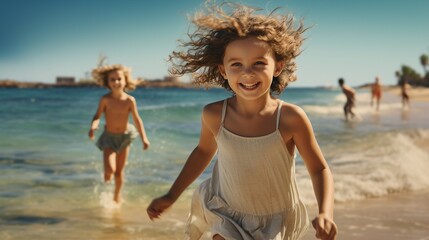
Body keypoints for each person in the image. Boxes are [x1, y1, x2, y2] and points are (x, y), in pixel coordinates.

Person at [147, 3, 337, 240]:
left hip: (274, 219)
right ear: (223, 70)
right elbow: (203, 152)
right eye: (236, 64)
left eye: (259, 63)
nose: (247, 72)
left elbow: (319, 169)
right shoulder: (215, 115)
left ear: (277, 66)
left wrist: (325, 213)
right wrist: (171, 195)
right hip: (225, 210)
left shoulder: (290, 118)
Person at [89, 64, 150, 203]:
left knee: (119, 173)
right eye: (112, 79)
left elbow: (137, 119)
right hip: (109, 138)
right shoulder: (105, 99)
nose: (116, 82)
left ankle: (117, 196)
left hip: (124, 137)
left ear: (125, 80)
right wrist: (93, 127)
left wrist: (144, 139)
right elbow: (97, 116)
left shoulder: (129, 100)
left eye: (119, 79)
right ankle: (106, 177)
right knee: (110, 170)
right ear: (107, 82)